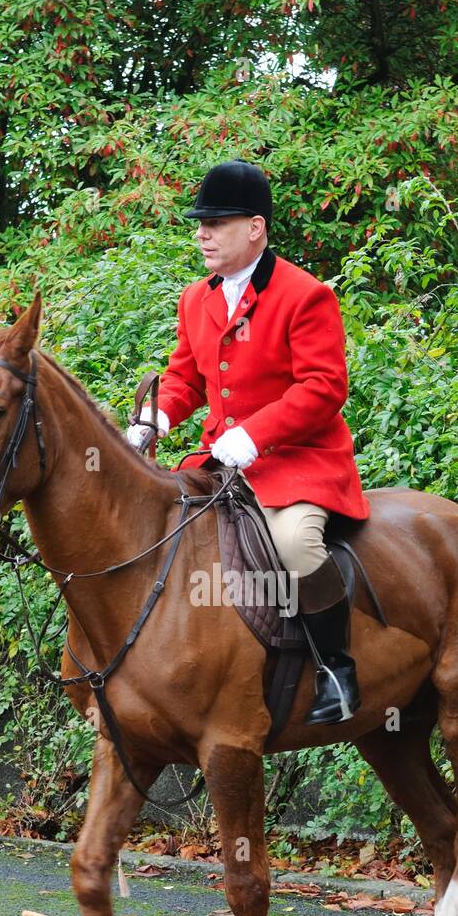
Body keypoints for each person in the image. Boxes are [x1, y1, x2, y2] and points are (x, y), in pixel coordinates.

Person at [127, 159, 369, 724]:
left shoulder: (304, 295)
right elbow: (185, 376)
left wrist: (254, 435)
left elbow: (325, 387)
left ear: (255, 227)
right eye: (200, 223)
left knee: (294, 544)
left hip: (297, 462)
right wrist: (155, 419)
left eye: (216, 223)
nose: (202, 234)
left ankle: (336, 667)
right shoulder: (197, 298)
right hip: (219, 461)